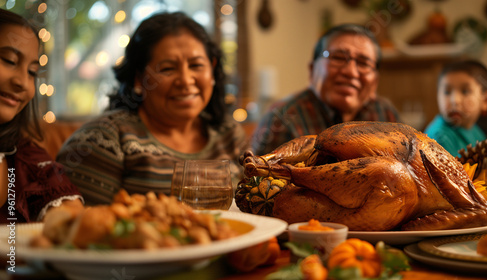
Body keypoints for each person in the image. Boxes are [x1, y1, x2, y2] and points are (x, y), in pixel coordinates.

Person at [56, 12, 249, 205]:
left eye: (196, 65)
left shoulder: (229, 134)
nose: (185, 80)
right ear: (139, 78)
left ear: (212, 69)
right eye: (167, 69)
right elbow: (84, 227)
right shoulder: (103, 139)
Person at [251, 24, 401, 156]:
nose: (351, 72)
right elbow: (257, 181)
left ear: (375, 82)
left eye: (363, 63)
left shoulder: (386, 114)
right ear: (312, 70)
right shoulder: (282, 119)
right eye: (338, 58)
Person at [0, 9, 83, 222]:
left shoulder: (26, 157)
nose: (22, 82)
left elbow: (69, 217)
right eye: (9, 60)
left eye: (32, 72)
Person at [424, 60, 487, 157]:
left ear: (486, 100)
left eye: (465, 92)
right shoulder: (440, 138)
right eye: (447, 92)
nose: (455, 100)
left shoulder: (476, 131)